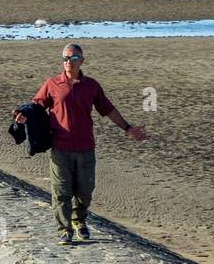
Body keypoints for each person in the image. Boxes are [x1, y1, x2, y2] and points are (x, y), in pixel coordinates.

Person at [12, 42, 147, 245]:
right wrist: (24, 117)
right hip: (60, 148)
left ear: (81, 60)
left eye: (73, 58)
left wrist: (128, 128)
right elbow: (36, 106)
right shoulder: (52, 84)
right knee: (61, 191)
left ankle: (79, 220)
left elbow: (108, 109)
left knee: (85, 192)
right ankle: (64, 230)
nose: (69, 62)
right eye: (65, 58)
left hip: (85, 148)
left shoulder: (91, 85)